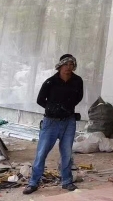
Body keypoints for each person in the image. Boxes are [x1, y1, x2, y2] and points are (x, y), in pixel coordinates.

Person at [24, 54, 83, 195]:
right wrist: (52, 108)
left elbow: (79, 97)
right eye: (66, 65)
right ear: (60, 66)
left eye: (71, 65)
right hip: (51, 122)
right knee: (42, 152)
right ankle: (33, 182)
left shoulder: (77, 81)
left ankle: (67, 181)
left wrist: (67, 108)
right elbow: (40, 99)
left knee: (67, 153)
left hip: (69, 121)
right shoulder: (51, 82)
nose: (68, 67)